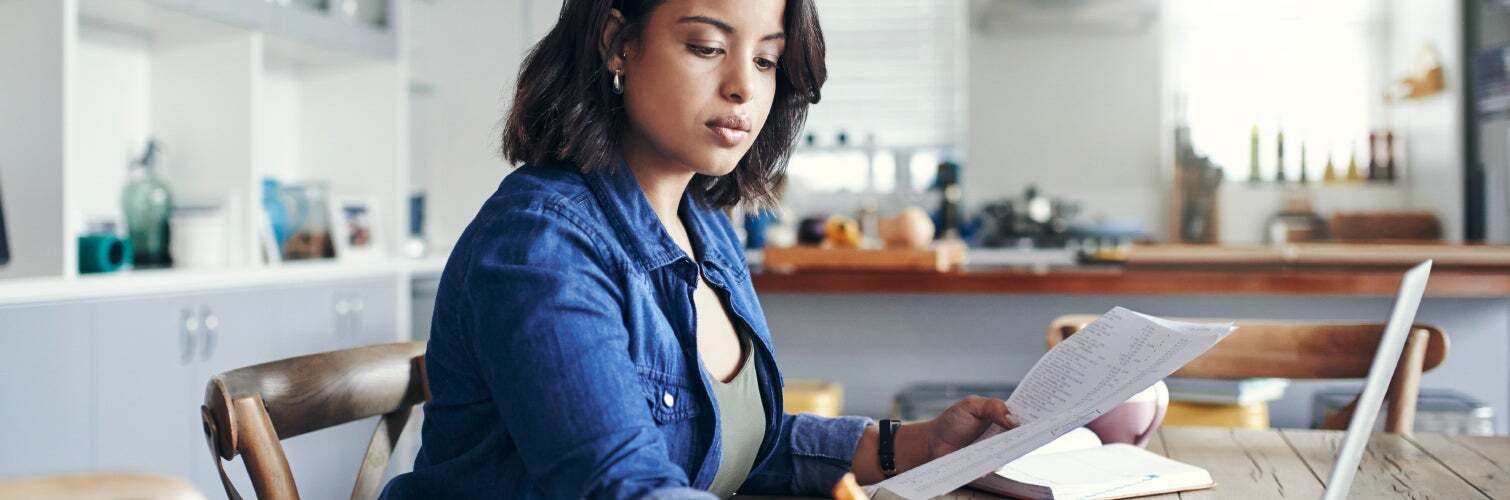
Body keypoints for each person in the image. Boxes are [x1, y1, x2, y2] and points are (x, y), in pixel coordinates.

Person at [381, 1, 1019, 498]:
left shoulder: (706, 225)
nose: (743, 86)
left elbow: (737, 448)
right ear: (617, 43)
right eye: (707, 46)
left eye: (767, 60)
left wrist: (915, 444)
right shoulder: (542, 244)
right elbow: (621, 486)